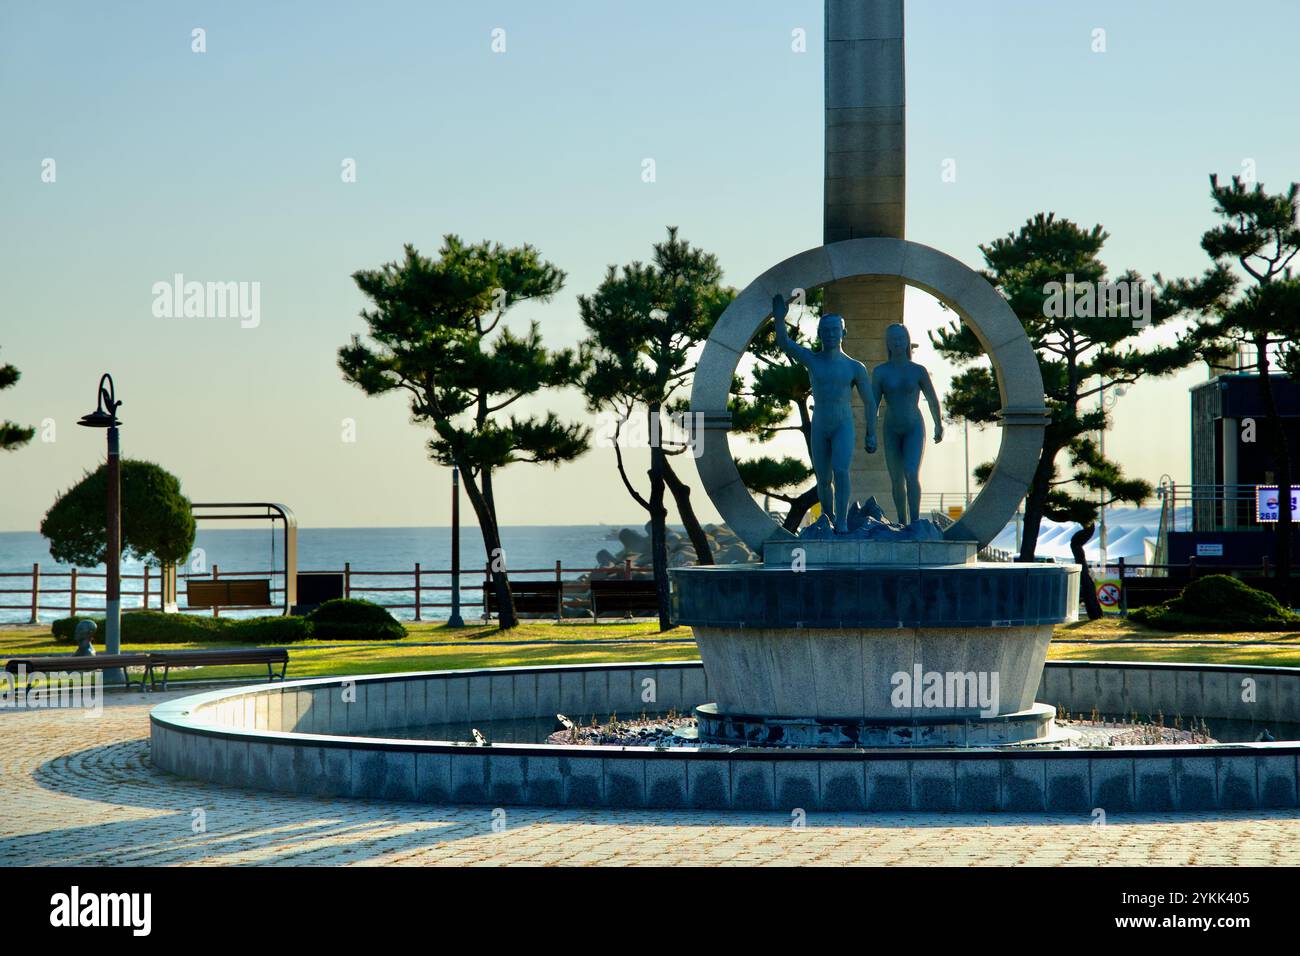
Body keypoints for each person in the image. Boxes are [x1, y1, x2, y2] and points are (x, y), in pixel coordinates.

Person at [772, 293, 877, 533]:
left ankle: (841, 522)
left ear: (843, 333)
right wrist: (779, 319)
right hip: (820, 423)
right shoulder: (813, 360)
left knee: (841, 470)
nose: (830, 334)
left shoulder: (854, 367)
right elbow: (784, 342)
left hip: (843, 424)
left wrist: (871, 434)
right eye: (825, 330)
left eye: (834, 330)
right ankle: (827, 518)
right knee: (823, 479)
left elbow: (870, 402)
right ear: (819, 334)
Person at [872, 323, 943, 525]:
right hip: (891, 428)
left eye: (901, 339)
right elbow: (872, 405)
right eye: (893, 339)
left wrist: (939, 424)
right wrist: (871, 431)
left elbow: (932, 399)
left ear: (907, 342)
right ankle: (902, 521)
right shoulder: (880, 372)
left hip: (913, 426)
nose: (897, 342)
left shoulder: (918, 371)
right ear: (887, 343)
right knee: (896, 479)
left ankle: (915, 521)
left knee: (911, 473)